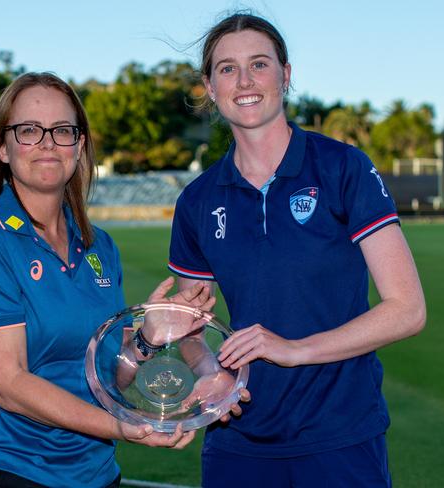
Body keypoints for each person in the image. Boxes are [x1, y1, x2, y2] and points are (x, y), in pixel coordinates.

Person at [168, 13, 426, 487]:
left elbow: (407, 310)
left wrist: (295, 350)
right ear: (209, 86)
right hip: (236, 442)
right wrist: (212, 373)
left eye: (259, 64)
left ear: (285, 75)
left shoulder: (343, 167)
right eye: (227, 68)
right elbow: (191, 326)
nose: (244, 81)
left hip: (339, 437)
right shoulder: (197, 201)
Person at [0, 72, 212, 488]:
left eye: (62, 131)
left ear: (79, 147)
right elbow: (8, 385)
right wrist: (120, 426)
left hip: (94, 473)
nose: (47, 143)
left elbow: (105, 375)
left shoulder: (99, 246)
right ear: (2, 150)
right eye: (28, 130)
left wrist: (145, 340)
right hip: (4, 471)